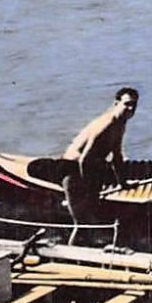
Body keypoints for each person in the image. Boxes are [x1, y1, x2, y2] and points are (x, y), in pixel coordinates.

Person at [60, 87, 138, 243]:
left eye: (134, 105)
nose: (131, 109)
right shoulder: (106, 125)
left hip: (90, 169)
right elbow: (84, 159)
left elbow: (117, 156)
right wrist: (89, 190)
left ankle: (86, 252)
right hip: (74, 171)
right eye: (127, 104)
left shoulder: (120, 124)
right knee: (82, 223)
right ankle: (71, 256)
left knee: (92, 219)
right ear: (116, 103)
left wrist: (123, 183)